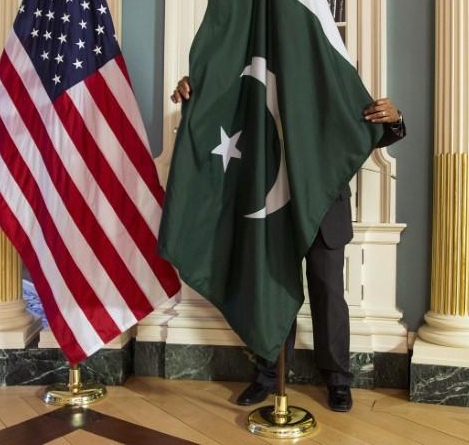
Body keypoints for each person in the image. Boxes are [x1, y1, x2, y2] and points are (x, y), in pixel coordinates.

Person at [171, 77, 406, 412]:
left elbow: (372, 129)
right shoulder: (260, 76)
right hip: (274, 210)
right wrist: (195, 94)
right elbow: (222, 118)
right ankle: (269, 375)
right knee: (273, 294)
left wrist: (395, 118)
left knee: (328, 294)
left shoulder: (330, 77)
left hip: (325, 210)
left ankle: (337, 379)